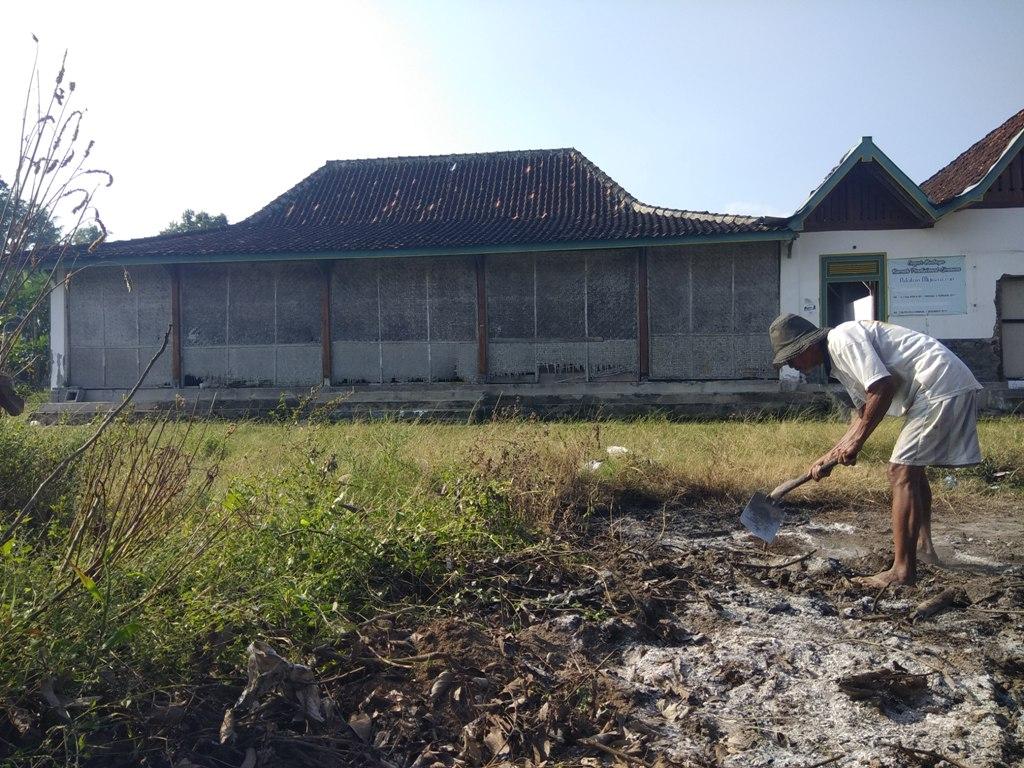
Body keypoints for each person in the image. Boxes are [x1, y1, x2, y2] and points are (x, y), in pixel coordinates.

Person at [768, 314, 983, 588]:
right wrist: (831, 455)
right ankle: (924, 549)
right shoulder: (837, 361)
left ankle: (902, 571)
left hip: (938, 384)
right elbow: (862, 412)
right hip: (940, 384)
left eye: (791, 358)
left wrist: (856, 442)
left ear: (806, 346)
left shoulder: (842, 339)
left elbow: (883, 388)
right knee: (913, 470)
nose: (792, 365)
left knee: (900, 471)